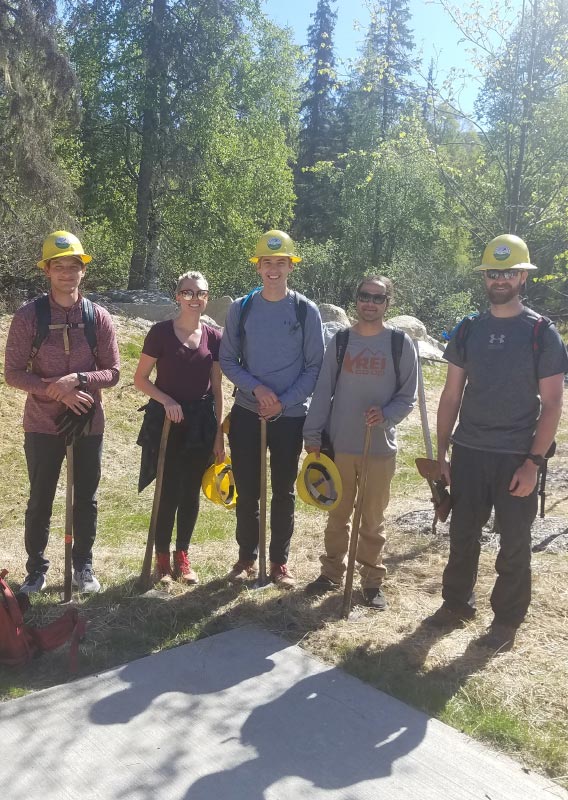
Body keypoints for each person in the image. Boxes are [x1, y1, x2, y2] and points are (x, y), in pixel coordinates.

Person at [430, 234, 568, 651]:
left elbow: (552, 405)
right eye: (493, 272)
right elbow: (451, 395)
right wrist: (441, 454)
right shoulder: (470, 329)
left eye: (509, 272)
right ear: (485, 278)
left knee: (513, 543)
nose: (500, 279)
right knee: (462, 533)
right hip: (469, 451)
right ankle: (456, 604)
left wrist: (533, 463)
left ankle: (506, 621)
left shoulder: (541, 333)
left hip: (514, 457)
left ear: (523, 276)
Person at [4, 231, 120, 594]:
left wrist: (78, 379)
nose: (67, 274)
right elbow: (12, 372)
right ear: (47, 271)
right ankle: (36, 570)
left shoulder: (97, 317)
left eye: (74, 266)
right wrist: (55, 390)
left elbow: (114, 372)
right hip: (41, 423)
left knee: (86, 497)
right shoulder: (28, 317)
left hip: (88, 422)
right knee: (40, 496)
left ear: (82, 271)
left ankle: (83, 567)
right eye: (59, 267)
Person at [303, 275, 418, 609]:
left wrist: (385, 414)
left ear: (388, 303)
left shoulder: (399, 344)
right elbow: (323, 391)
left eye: (378, 298)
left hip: (379, 448)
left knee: (372, 519)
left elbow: (407, 396)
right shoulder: (340, 342)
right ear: (356, 300)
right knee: (337, 516)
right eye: (365, 296)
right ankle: (330, 573)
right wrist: (312, 435)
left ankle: (371, 581)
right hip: (339, 447)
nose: (370, 302)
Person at [219, 230, 324, 588]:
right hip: (247, 412)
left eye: (281, 262)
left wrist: (284, 400)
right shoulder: (242, 308)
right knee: (247, 489)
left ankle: (279, 562)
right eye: (267, 262)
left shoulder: (305, 310)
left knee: (283, 491)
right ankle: (246, 557)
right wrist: (257, 388)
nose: (274, 269)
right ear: (258, 267)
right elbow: (228, 360)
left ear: (290, 266)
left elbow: (314, 367)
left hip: (290, 417)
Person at [134, 271, 224, 584]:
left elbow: (216, 388)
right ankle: (161, 560)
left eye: (200, 293)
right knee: (168, 491)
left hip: (200, 423)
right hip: (167, 423)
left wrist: (219, 435)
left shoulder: (214, 337)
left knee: (190, 493)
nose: (194, 298)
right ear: (177, 297)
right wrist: (167, 401)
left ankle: (182, 557)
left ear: (207, 298)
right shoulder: (160, 333)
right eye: (187, 293)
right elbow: (140, 379)